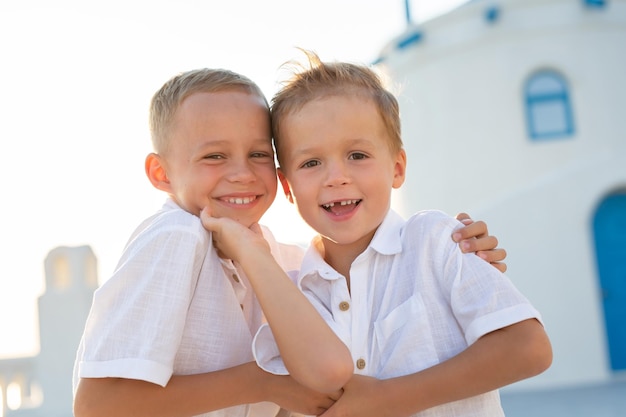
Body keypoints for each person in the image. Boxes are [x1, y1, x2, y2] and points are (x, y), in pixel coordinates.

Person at [73, 67, 509, 417]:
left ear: (278, 173)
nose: (242, 173)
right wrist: (262, 380)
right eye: (214, 155)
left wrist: (462, 253)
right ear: (161, 174)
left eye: (259, 154)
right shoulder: (178, 236)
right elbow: (97, 407)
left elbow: (327, 372)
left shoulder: (286, 261)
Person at [202, 51, 552, 417]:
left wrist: (388, 399)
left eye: (357, 155)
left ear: (397, 168)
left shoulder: (438, 240)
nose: (336, 176)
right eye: (311, 163)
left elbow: (529, 349)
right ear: (287, 187)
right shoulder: (290, 297)